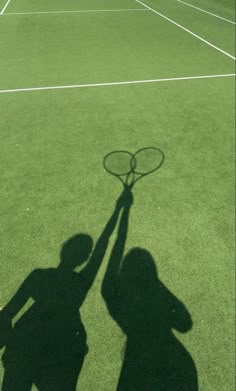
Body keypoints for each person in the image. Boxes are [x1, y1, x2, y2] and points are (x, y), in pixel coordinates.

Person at [0, 189, 128, 391]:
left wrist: (6, 338)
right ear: (84, 259)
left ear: (62, 251)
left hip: (25, 344)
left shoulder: (38, 276)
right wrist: (121, 209)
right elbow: (104, 247)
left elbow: (9, 311)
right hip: (63, 348)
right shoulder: (81, 283)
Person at [102, 191, 198, 390]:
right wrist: (156, 284)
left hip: (136, 371)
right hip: (177, 368)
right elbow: (185, 323)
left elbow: (114, 250)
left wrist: (122, 209)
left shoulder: (111, 294)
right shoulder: (154, 295)